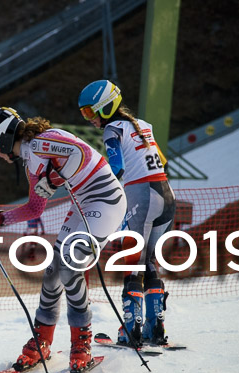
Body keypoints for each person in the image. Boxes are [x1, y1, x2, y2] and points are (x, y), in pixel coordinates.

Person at [0, 107, 127, 373]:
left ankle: (82, 343)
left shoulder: (43, 142)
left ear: (1, 139)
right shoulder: (32, 161)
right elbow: (34, 208)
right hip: (83, 204)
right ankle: (43, 339)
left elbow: (81, 153)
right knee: (53, 272)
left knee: (70, 268)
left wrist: (53, 179)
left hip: (105, 201)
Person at [78, 79, 176, 345]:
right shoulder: (144, 126)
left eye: (90, 112)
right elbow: (162, 161)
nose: (89, 119)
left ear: (105, 107)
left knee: (132, 264)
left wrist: (96, 192)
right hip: (166, 193)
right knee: (150, 263)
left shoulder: (112, 129)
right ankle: (156, 329)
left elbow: (117, 167)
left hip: (142, 197)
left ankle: (131, 330)